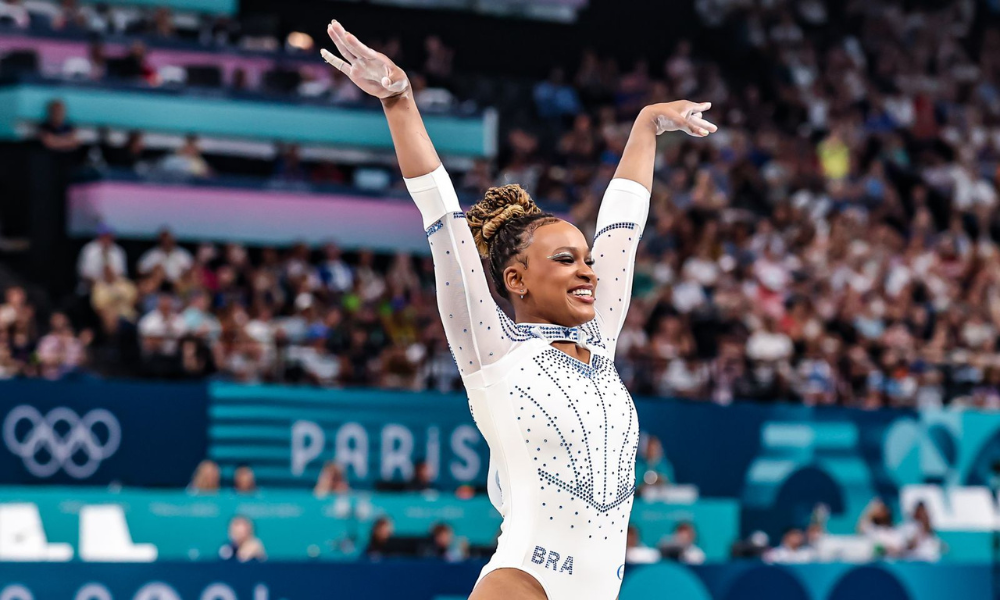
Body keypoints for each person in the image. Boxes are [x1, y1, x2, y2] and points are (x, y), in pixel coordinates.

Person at [321, 21, 716, 600]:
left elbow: (624, 227)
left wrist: (648, 123)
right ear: (516, 279)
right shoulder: (492, 346)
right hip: (526, 582)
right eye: (565, 259)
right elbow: (444, 221)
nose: (589, 269)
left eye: (587, 258)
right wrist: (401, 101)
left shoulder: (600, 340)